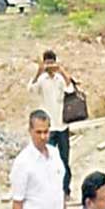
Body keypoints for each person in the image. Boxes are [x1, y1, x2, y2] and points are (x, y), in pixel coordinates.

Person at [28, 50, 75, 198]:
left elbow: (70, 89)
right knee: (46, 160)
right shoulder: (41, 80)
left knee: (64, 160)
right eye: (47, 63)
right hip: (47, 128)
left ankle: (65, 189)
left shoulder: (60, 80)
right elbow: (31, 90)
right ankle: (49, 189)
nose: (49, 66)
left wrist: (61, 70)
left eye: (51, 63)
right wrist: (38, 72)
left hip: (61, 125)